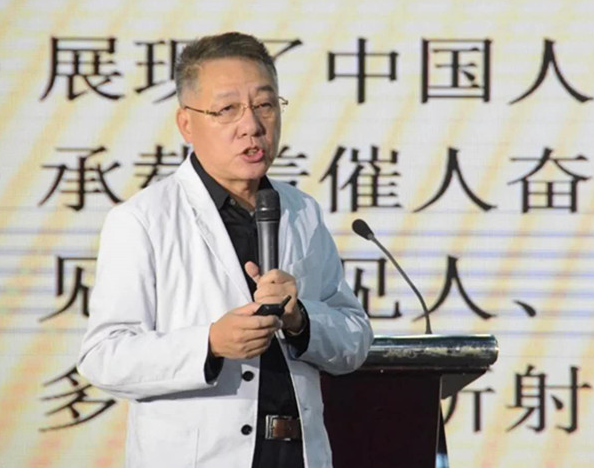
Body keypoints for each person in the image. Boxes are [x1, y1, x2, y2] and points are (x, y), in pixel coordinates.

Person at [78, 32, 373, 468]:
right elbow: (103, 356)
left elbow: (355, 339)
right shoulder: (143, 219)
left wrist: (301, 320)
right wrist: (210, 342)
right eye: (227, 109)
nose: (251, 125)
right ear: (186, 124)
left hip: (298, 455)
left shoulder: (302, 211)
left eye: (265, 105)